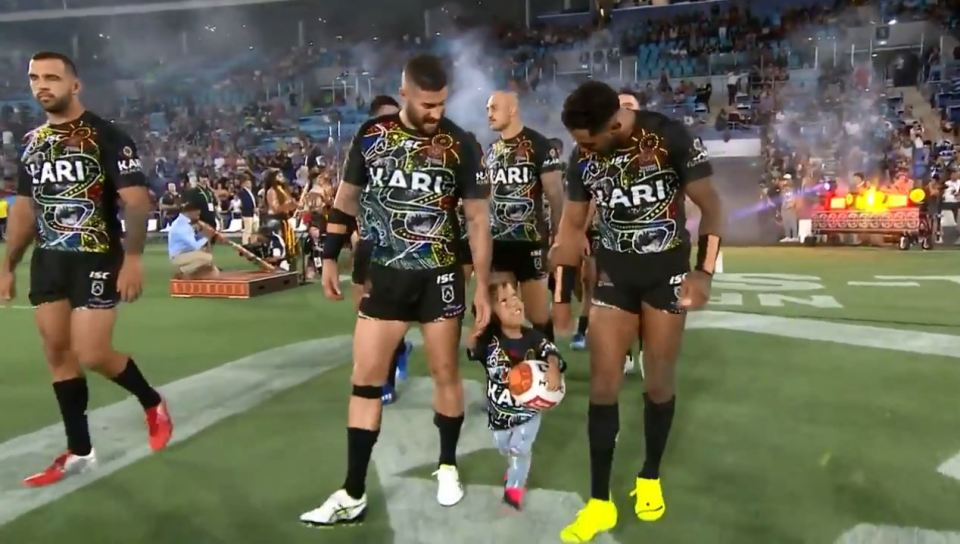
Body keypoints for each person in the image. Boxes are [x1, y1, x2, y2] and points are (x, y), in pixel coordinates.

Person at [301, 54, 492, 526]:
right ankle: (353, 491)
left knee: (446, 373)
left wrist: (483, 285)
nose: (435, 112)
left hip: (441, 275)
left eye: (442, 103)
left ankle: (447, 465)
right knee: (365, 379)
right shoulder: (371, 137)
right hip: (386, 274)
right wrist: (328, 255)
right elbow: (345, 200)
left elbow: (477, 219)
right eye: (427, 104)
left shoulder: (460, 143)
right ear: (404, 93)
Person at [552, 81, 723, 542]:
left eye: (588, 141)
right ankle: (599, 503)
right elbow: (571, 223)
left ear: (614, 123)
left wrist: (703, 274)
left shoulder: (670, 137)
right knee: (604, 386)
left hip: (666, 274)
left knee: (658, 381)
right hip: (614, 277)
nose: (583, 150)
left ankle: (649, 476)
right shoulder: (583, 155)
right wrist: (560, 289)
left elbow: (711, 208)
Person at [0, 51, 174, 487]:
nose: (43, 85)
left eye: (53, 77)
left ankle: (152, 402)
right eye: (35, 78)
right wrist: (8, 265)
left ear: (75, 85)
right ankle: (80, 450)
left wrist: (132, 259)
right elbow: (24, 208)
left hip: (96, 254)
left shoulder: (107, 136)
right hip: (49, 260)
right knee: (58, 355)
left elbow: (137, 201)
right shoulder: (33, 142)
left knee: (93, 353)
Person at [466, 281, 565, 511]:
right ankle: (513, 469)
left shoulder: (533, 337)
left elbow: (551, 351)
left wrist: (552, 366)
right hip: (499, 414)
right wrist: (476, 330)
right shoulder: (489, 343)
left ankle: (515, 487)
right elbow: (471, 348)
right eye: (504, 300)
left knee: (520, 450)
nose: (514, 303)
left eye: (515, 296)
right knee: (503, 446)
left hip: (527, 413)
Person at [484, 91, 564, 342]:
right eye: (487, 108)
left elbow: (555, 195)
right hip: (498, 244)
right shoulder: (491, 151)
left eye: (494, 107)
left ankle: (550, 366)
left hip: (530, 243)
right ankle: (508, 369)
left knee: (537, 313)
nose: (489, 114)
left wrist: (558, 238)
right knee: (502, 310)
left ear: (512, 109)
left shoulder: (539, 146)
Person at [348, 94, 412, 404]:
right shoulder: (361, 152)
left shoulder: (412, 153)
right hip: (369, 242)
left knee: (389, 311)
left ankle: (384, 377)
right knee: (366, 311)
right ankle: (398, 351)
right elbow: (348, 199)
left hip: (403, 247)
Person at [168, 190, 219, 279]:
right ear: (190, 213)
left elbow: (193, 239)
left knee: (207, 261)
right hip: (178, 256)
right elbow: (195, 245)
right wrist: (207, 236)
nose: (198, 217)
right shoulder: (181, 226)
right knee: (207, 258)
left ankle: (191, 273)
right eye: (197, 215)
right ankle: (183, 270)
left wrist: (201, 233)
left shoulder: (186, 222)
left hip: (187, 252)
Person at [237, 174, 258, 245]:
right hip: (247, 213)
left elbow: (252, 201)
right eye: (248, 183)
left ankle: (252, 242)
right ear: (244, 184)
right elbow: (246, 203)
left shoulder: (250, 192)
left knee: (254, 229)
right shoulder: (243, 192)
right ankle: (245, 243)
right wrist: (252, 209)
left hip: (252, 214)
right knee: (247, 230)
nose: (250, 184)